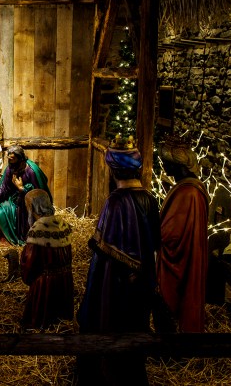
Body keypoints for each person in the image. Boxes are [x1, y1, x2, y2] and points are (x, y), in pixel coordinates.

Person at [76, 136, 161, 386]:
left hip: (113, 282)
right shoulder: (150, 199)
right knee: (134, 326)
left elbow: (102, 248)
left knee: (109, 324)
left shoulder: (114, 202)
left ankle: (105, 376)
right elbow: (155, 242)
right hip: (142, 279)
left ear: (113, 169)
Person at [156, 136, 210, 333]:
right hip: (189, 255)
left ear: (177, 164)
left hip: (181, 261)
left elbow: (172, 235)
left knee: (174, 302)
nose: (164, 167)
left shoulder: (188, 193)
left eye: (166, 163)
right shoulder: (190, 187)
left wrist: (153, 233)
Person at [20, 189, 74, 329]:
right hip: (64, 281)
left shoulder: (38, 230)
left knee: (40, 323)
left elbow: (30, 262)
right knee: (60, 321)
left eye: (28, 207)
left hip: (46, 285)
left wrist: (24, 268)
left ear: (32, 207)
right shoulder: (61, 223)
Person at [0, 145, 50, 246]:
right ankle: (3, 240)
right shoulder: (10, 169)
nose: (10, 162)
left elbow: (39, 195)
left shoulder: (32, 171)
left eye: (12, 159)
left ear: (20, 158)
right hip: (13, 203)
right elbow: (4, 188)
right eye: (8, 159)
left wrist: (22, 189)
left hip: (29, 208)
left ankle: (18, 240)